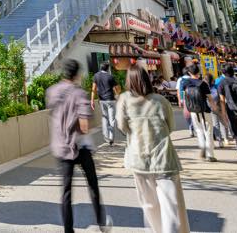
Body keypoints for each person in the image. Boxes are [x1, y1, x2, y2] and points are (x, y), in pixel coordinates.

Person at [116, 65, 189, 233]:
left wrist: (135, 134)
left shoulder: (124, 99)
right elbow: (171, 127)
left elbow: (122, 126)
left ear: (129, 80)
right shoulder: (160, 100)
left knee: (149, 205)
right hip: (163, 157)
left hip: (138, 157)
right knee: (171, 207)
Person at [47, 59, 111, 233]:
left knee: (66, 191)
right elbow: (84, 126)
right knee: (92, 185)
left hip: (61, 147)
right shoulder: (79, 93)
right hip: (80, 147)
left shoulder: (52, 91)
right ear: (77, 74)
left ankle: (69, 230)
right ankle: (102, 222)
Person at [182, 64, 216, 162]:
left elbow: (185, 96)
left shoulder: (185, 83)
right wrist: (214, 108)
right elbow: (210, 99)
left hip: (193, 110)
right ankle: (210, 155)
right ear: (199, 72)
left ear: (189, 73)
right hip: (205, 110)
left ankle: (202, 147)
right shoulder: (203, 84)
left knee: (199, 130)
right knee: (208, 131)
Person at [91, 63, 121, 146]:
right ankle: (111, 138)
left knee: (105, 118)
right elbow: (117, 88)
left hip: (102, 101)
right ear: (107, 69)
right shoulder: (110, 76)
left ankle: (106, 136)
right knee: (112, 119)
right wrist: (117, 93)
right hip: (111, 100)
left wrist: (92, 101)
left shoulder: (96, 76)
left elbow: (93, 89)